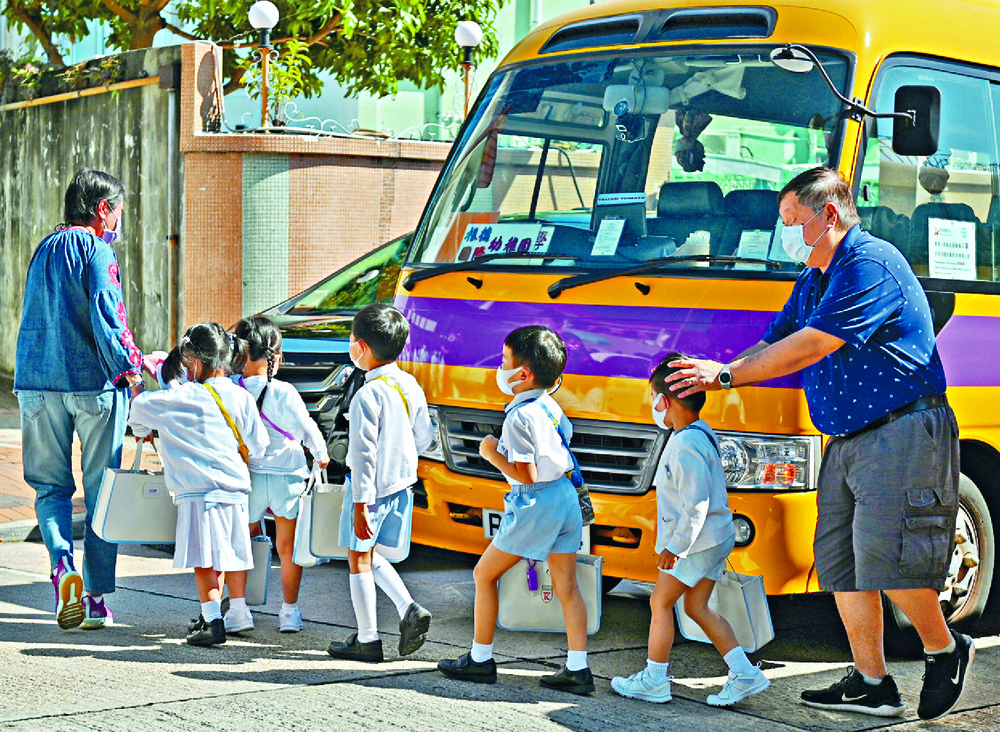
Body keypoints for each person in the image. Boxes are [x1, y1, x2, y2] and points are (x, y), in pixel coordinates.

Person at [665, 167, 970, 721]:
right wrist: (712, 368)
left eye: (791, 222)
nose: (784, 234)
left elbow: (810, 345)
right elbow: (777, 340)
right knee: (842, 566)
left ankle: (945, 649)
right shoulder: (814, 277)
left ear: (828, 215)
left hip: (899, 430)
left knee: (889, 563)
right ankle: (873, 682)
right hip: (847, 437)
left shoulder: (867, 265)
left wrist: (726, 376)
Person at [14, 168, 143, 631]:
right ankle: (93, 599)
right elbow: (109, 316)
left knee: (50, 490)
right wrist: (132, 370)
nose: (120, 222)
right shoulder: (97, 250)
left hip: (36, 384)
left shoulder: (43, 250)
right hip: (93, 386)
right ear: (103, 209)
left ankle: (61, 569)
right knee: (102, 493)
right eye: (120, 211)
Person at [438, 326, 593, 695]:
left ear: (523, 375)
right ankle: (578, 668)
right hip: (566, 499)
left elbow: (527, 472)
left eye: (504, 361)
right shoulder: (550, 406)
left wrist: (493, 454)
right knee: (567, 586)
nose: (500, 366)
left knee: (483, 575)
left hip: (537, 501)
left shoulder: (519, 417)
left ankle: (480, 659)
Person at [612, 353, 769, 706]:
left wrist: (676, 547)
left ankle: (654, 678)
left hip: (698, 542)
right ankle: (744, 672)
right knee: (697, 606)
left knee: (660, 601)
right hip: (714, 538)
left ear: (664, 401)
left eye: (654, 399)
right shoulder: (700, 432)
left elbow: (695, 504)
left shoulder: (685, 444)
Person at [127, 323, 268, 646]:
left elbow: (139, 411)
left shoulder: (180, 397)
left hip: (197, 491)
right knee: (225, 555)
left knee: (204, 558)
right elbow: (258, 446)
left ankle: (212, 622)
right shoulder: (241, 396)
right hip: (234, 490)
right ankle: (212, 615)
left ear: (191, 360)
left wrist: (139, 398)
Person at [326, 303, 434, 661]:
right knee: (369, 555)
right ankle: (407, 609)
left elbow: (363, 456)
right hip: (401, 485)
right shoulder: (409, 385)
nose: (351, 346)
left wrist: (360, 503)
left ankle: (368, 639)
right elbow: (423, 437)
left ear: (364, 348)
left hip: (369, 491)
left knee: (357, 558)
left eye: (353, 340)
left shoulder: (366, 395)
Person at [223, 315, 330, 634]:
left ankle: (239, 611)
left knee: (239, 545)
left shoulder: (229, 390)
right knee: (288, 548)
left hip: (247, 478)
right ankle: (289, 613)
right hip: (288, 477)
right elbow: (307, 427)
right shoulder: (285, 391)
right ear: (275, 356)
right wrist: (321, 454)